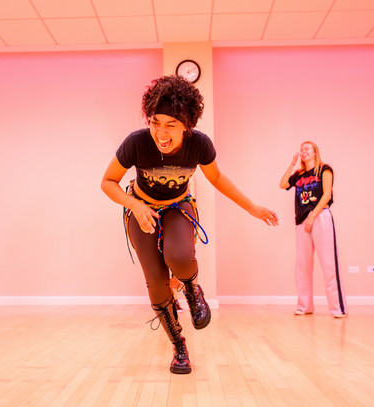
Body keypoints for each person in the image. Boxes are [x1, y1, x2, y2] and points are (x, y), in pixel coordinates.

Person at [101, 75, 278, 374]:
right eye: (156, 122)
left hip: (178, 206)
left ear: (187, 124)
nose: (161, 132)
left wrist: (252, 208)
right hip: (141, 208)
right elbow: (108, 182)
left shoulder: (199, 146)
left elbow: (217, 178)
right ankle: (178, 345)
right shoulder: (136, 142)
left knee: (180, 257)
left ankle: (191, 287)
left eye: (170, 124)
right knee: (157, 283)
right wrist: (134, 205)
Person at [279, 141, 347, 318]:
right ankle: (305, 306)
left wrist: (312, 216)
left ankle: (338, 308)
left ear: (315, 152)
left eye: (307, 148)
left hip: (320, 217)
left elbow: (326, 195)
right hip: (301, 222)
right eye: (301, 149)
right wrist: (292, 163)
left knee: (329, 264)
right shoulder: (299, 174)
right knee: (302, 266)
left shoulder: (324, 169)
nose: (304, 151)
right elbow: (283, 184)